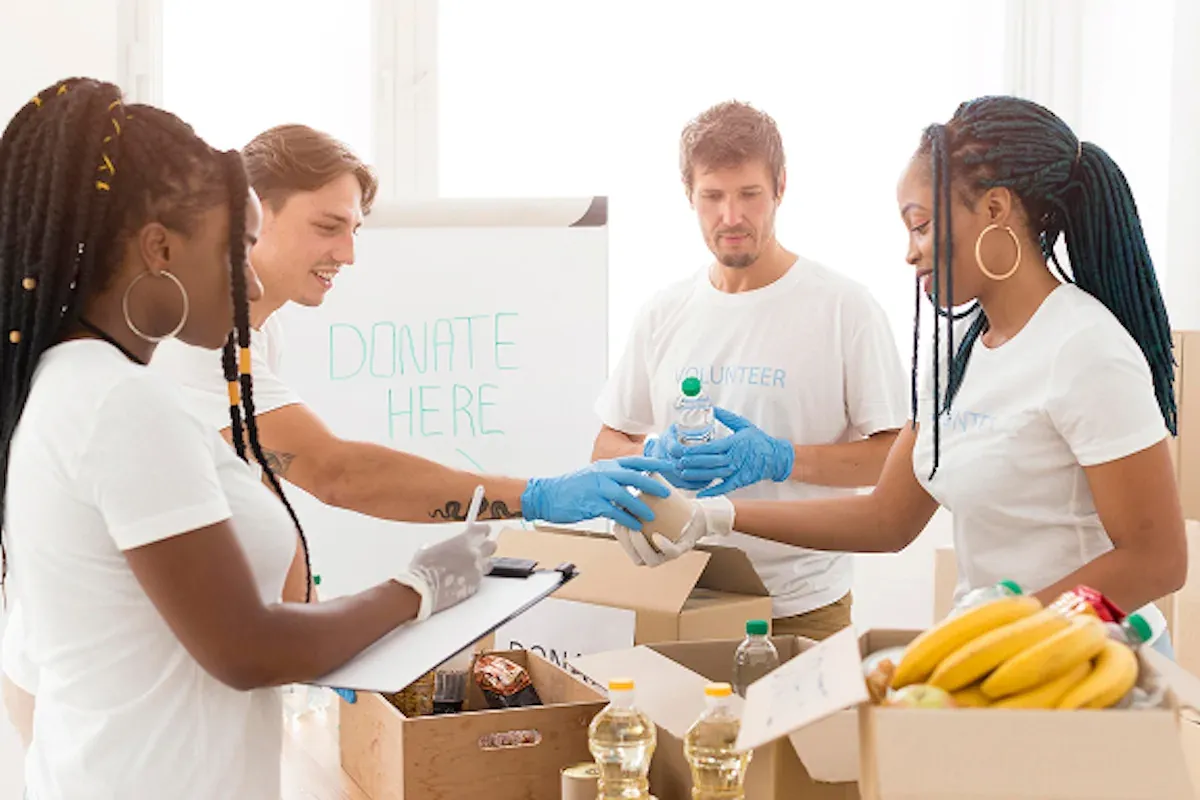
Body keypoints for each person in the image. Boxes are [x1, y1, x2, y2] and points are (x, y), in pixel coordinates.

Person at [0, 76, 531, 799]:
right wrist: (421, 589)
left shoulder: (74, 381)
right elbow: (247, 647)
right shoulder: (121, 405)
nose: (251, 284)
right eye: (237, 249)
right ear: (158, 247)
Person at [616, 95, 1187, 657]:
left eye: (921, 226)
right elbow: (886, 518)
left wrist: (1006, 636)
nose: (909, 253)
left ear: (993, 211)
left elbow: (1157, 561)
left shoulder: (1084, 348)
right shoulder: (957, 356)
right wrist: (714, 514)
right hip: (1000, 659)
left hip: (1094, 663)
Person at [149, 124, 668, 605]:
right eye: (329, 227)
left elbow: (259, 495)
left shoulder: (259, 333)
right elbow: (335, 473)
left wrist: (303, 625)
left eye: (354, 230)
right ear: (252, 213)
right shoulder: (197, 339)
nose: (347, 254)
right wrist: (534, 496)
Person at [593, 100, 908, 641]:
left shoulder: (843, 308)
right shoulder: (664, 312)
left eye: (749, 195)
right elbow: (606, 444)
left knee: (799, 733)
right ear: (689, 194)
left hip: (800, 604)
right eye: (713, 196)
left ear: (781, 187)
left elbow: (890, 463)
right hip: (678, 593)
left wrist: (781, 459)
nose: (731, 217)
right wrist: (650, 456)